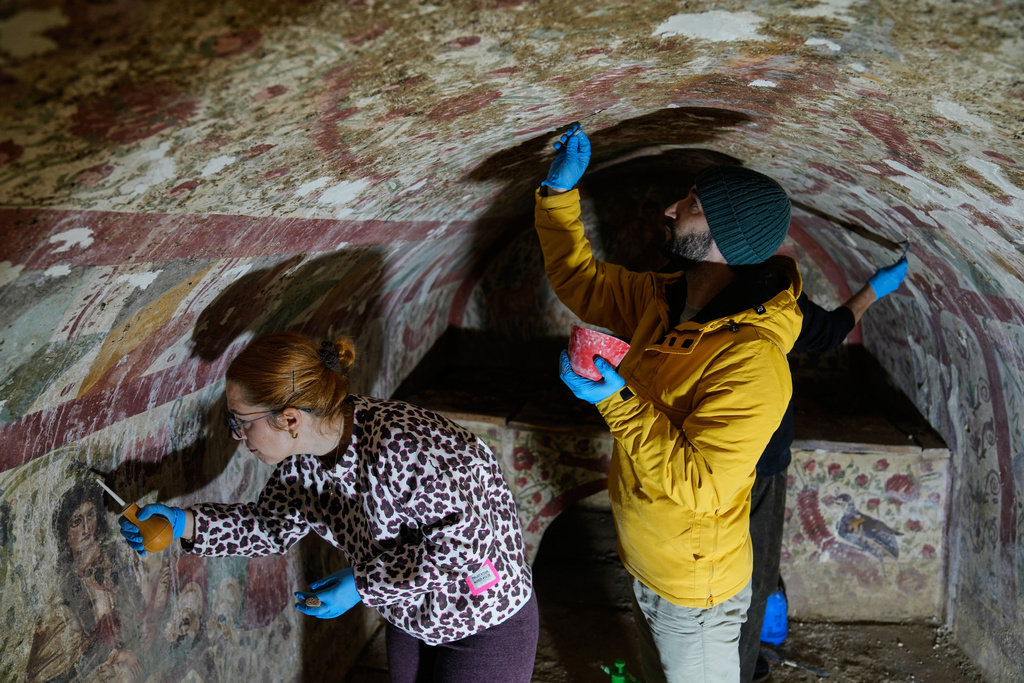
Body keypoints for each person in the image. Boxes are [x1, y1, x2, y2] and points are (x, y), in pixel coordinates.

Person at [536, 123, 803, 683]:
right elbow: (580, 279)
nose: (670, 209)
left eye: (694, 205)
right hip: (647, 559)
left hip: (693, 589)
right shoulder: (665, 298)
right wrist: (559, 196)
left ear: (727, 238)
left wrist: (617, 400)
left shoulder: (753, 359)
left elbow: (703, 483)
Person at [118, 331, 537, 683]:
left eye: (241, 422)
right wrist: (183, 523)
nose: (235, 436)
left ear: (290, 419)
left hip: (484, 612)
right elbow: (270, 525)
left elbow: (463, 549)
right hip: (412, 613)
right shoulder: (302, 460)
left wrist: (361, 585)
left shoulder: (403, 445)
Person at [740, 255, 909, 683]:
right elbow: (829, 331)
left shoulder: (679, 276)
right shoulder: (772, 287)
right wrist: (874, 289)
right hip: (759, 455)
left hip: (698, 448)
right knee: (755, 568)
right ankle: (738, 668)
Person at [28, 482, 142, 682]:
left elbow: (137, 609)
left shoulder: (117, 557)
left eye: (91, 515)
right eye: (76, 521)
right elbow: (56, 661)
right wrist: (115, 655)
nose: (86, 527)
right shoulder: (63, 584)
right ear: (64, 532)